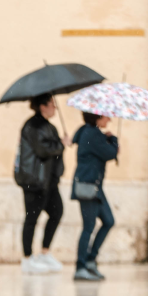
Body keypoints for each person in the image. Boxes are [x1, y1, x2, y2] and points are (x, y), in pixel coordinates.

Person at [16, 93, 67, 274]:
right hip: (34, 181)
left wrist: (60, 143)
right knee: (31, 218)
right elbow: (43, 149)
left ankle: (45, 252)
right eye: (52, 104)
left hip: (49, 181)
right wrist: (61, 144)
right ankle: (27, 258)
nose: (55, 107)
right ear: (43, 106)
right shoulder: (33, 125)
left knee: (57, 211)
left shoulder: (49, 126)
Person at [71, 112, 119, 282]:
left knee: (108, 221)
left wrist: (106, 138)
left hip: (95, 187)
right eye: (107, 116)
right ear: (97, 116)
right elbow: (110, 153)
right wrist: (113, 140)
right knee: (88, 227)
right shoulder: (91, 134)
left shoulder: (90, 132)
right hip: (88, 187)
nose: (109, 119)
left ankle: (90, 260)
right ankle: (80, 267)